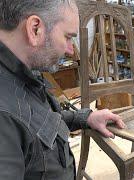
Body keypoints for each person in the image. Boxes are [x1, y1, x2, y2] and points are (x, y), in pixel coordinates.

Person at [0, 0, 126, 179]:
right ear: (35, 29)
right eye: (68, 37)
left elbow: (38, 122)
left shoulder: (23, 73)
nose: (70, 50)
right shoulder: (4, 117)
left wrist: (86, 117)